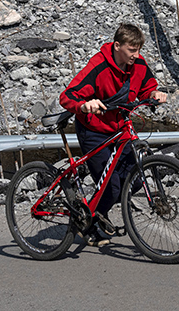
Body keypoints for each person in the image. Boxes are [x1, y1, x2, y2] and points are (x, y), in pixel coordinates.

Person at [59, 23, 168, 246]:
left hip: (120, 128)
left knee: (134, 179)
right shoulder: (98, 66)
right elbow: (67, 96)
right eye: (132, 50)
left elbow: (147, 85)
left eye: (139, 49)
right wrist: (84, 105)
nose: (136, 55)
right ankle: (91, 223)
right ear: (117, 46)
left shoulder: (138, 64)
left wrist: (155, 93)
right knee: (111, 186)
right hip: (94, 130)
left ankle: (95, 214)